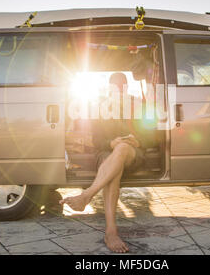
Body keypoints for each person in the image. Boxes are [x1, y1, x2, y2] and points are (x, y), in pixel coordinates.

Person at [60, 72, 147, 253]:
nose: (119, 89)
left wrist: (137, 141)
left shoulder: (137, 105)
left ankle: (88, 194)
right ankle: (111, 232)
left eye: (122, 86)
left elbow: (152, 135)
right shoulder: (100, 109)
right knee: (113, 171)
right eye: (115, 86)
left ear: (127, 87)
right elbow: (96, 140)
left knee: (122, 148)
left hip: (133, 152)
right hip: (106, 154)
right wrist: (110, 143)